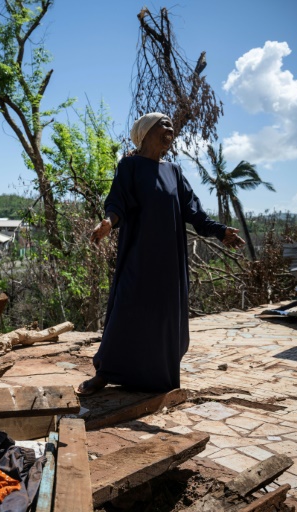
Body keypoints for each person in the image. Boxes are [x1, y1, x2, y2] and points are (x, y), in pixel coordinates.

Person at [77, 112, 245, 396]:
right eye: (162, 124)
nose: (170, 128)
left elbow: (193, 211)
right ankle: (105, 373)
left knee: (163, 317)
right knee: (126, 310)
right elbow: (117, 200)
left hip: (168, 261)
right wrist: (108, 223)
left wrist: (219, 231)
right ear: (145, 132)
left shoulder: (174, 172)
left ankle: (155, 379)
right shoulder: (130, 166)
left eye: (171, 124)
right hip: (138, 256)